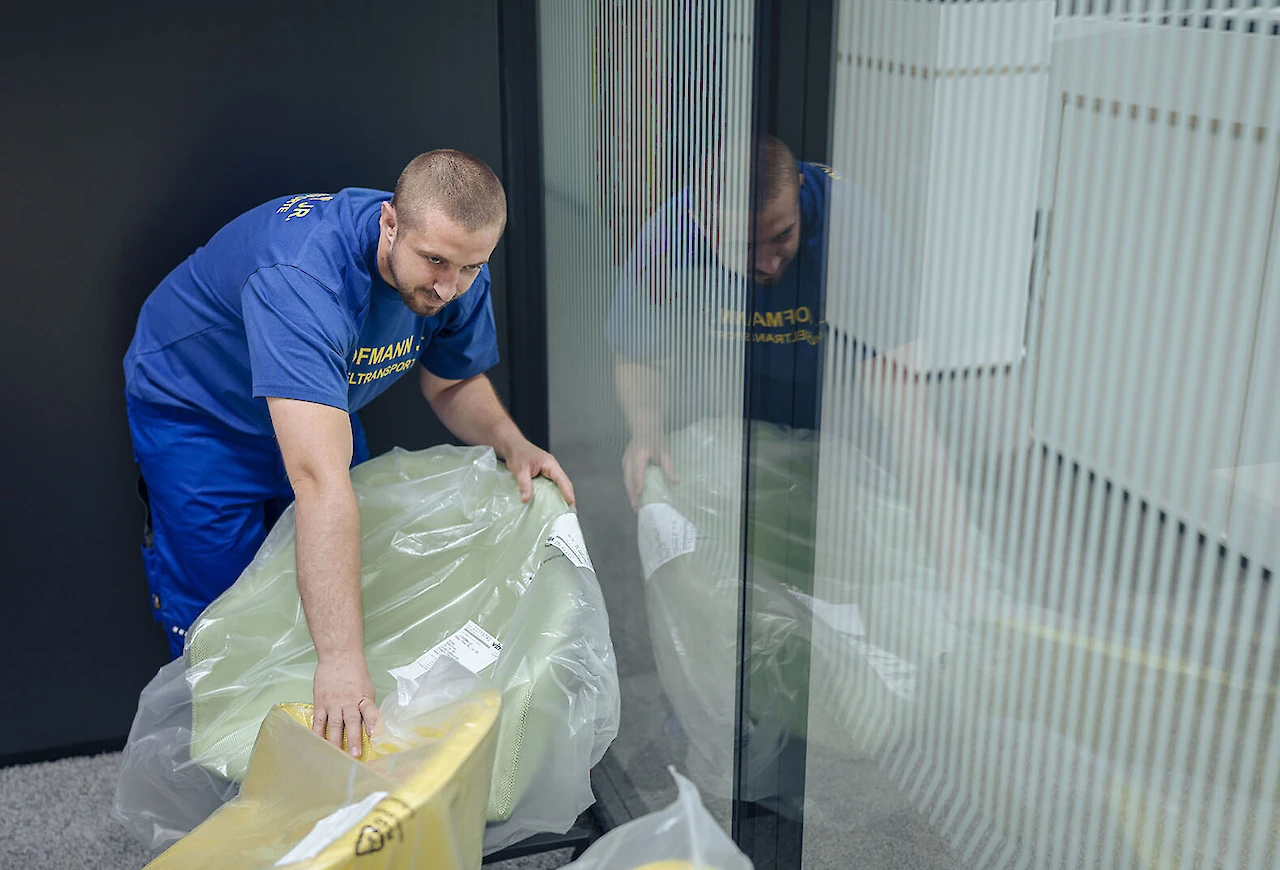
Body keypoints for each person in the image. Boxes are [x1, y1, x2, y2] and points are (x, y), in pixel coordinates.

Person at [124, 149, 574, 756]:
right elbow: (318, 483)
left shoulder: (456, 261)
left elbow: (454, 381)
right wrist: (339, 662)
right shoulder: (302, 276)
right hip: (200, 415)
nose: (449, 288)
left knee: (353, 576)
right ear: (390, 224)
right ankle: (231, 787)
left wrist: (511, 442)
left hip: (318, 408)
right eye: (435, 262)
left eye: (470, 268)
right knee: (219, 614)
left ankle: (324, 767)